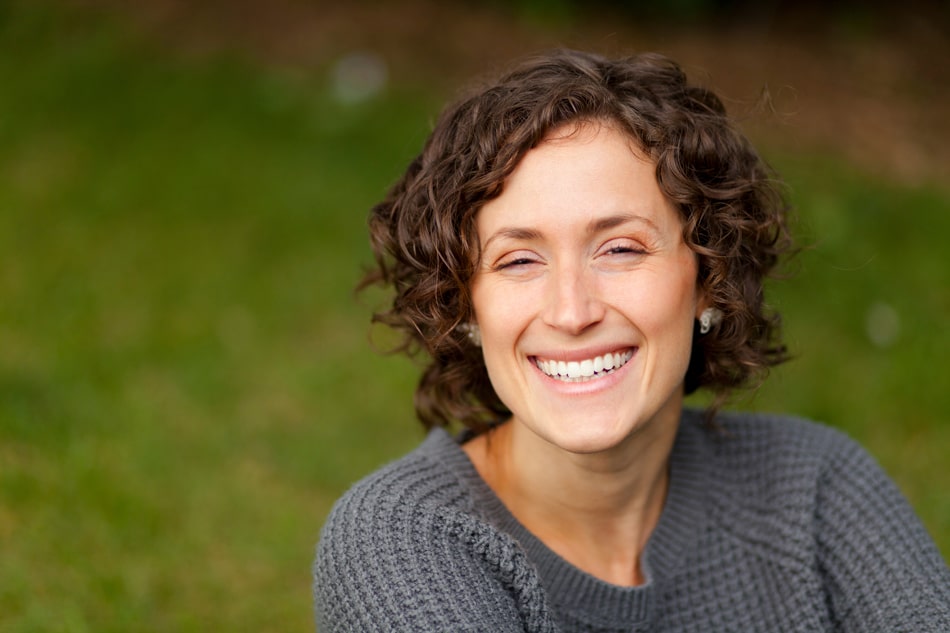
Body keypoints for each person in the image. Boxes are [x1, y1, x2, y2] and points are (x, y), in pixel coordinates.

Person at [313, 49, 950, 632]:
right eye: (517, 261)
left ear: (709, 278)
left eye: (620, 249)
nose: (572, 310)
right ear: (464, 304)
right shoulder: (399, 544)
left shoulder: (815, 487)